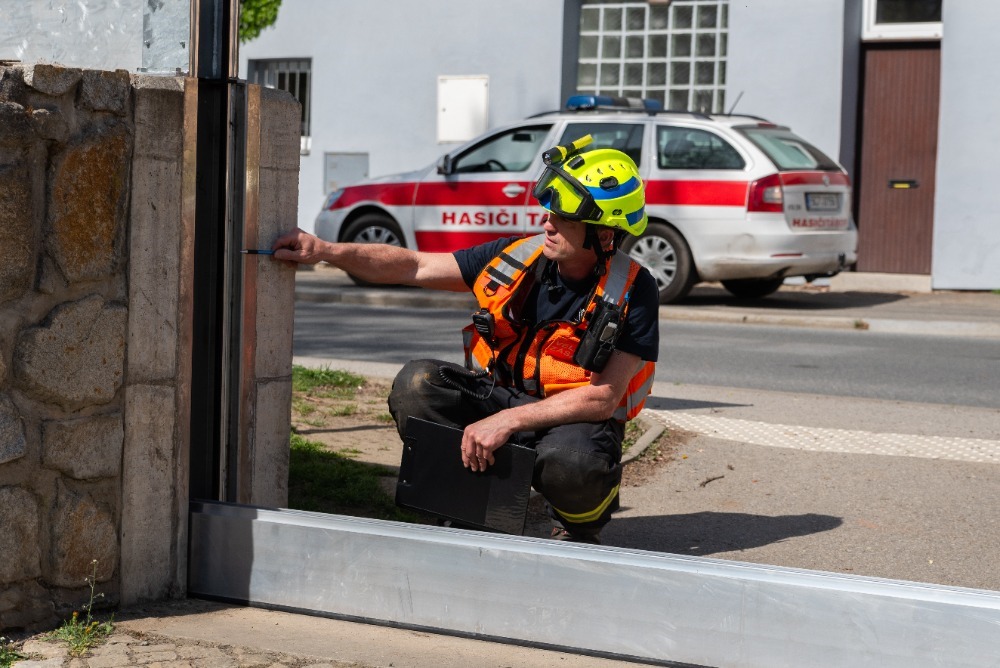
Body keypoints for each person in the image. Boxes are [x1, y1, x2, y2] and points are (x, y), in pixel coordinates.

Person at [272, 139, 659, 544]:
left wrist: (506, 421)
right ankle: (472, 508)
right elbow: (415, 266)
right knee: (417, 385)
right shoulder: (515, 256)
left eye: (562, 216)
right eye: (548, 209)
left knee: (573, 464)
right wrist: (327, 251)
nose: (547, 222)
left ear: (603, 233)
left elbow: (604, 397)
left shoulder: (635, 289)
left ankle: (579, 524)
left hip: (572, 421)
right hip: (501, 396)